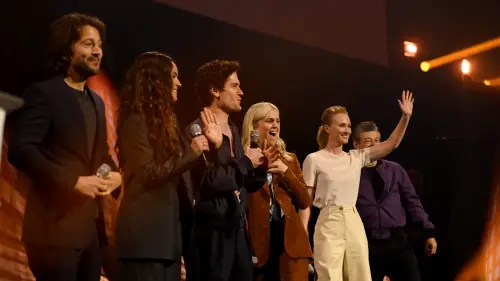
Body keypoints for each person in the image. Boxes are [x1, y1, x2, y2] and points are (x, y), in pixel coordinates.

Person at [8, 13, 122, 281]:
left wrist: (113, 173)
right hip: (53, 232)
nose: (97, 51)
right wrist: (73, 182)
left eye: (100, 46)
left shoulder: (96, 102)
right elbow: (21, 149)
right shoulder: (45, 94)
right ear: (66, 49)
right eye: (88, 44)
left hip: (90, 234)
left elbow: (101, 156)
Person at [114, 52, 209, 281]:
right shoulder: (136, 122)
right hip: (145, 242)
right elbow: (149, 174)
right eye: (173, 76)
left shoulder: (169, 125)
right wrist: (191, 154)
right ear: (157, 80)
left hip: (168, 243)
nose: (179, 83)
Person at [302, 91, 414, 281]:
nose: (346, 129)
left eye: (348, 125)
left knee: (360, 276)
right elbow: (306, 203)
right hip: (329, 220)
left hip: (353, 220)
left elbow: (391, 144)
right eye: (341, 125)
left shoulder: (355, 157)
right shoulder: (314, 159)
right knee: (330, 276)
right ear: (327, 128)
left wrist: (405, 117)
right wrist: (303, 237)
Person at [187, 60, 273, 281]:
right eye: (234, 86)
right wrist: (245, 162)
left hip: (238, 232)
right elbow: (214, 181)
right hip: (213, 237)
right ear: (215, 90)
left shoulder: (234, 131)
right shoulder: (197, 131)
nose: (241, 92)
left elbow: (243, 183)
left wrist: (261, 166)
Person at [353, 121, 437, 281]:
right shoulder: (349, 172)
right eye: (368, 141)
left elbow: (413, 202)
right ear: (356, 145)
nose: (375, 145)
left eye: (377, 140)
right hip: (366, 245)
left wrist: (428, 232)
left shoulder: (395, 169)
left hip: (397, 242)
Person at [242, 102, 313, 281]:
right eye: (269, 120)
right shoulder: (243, 159)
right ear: (254, 126)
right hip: (258, 247)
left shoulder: (289, 159)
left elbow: (304, 201)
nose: (275, 125)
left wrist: (285, 172)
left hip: (291, 246)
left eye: (278, 121)